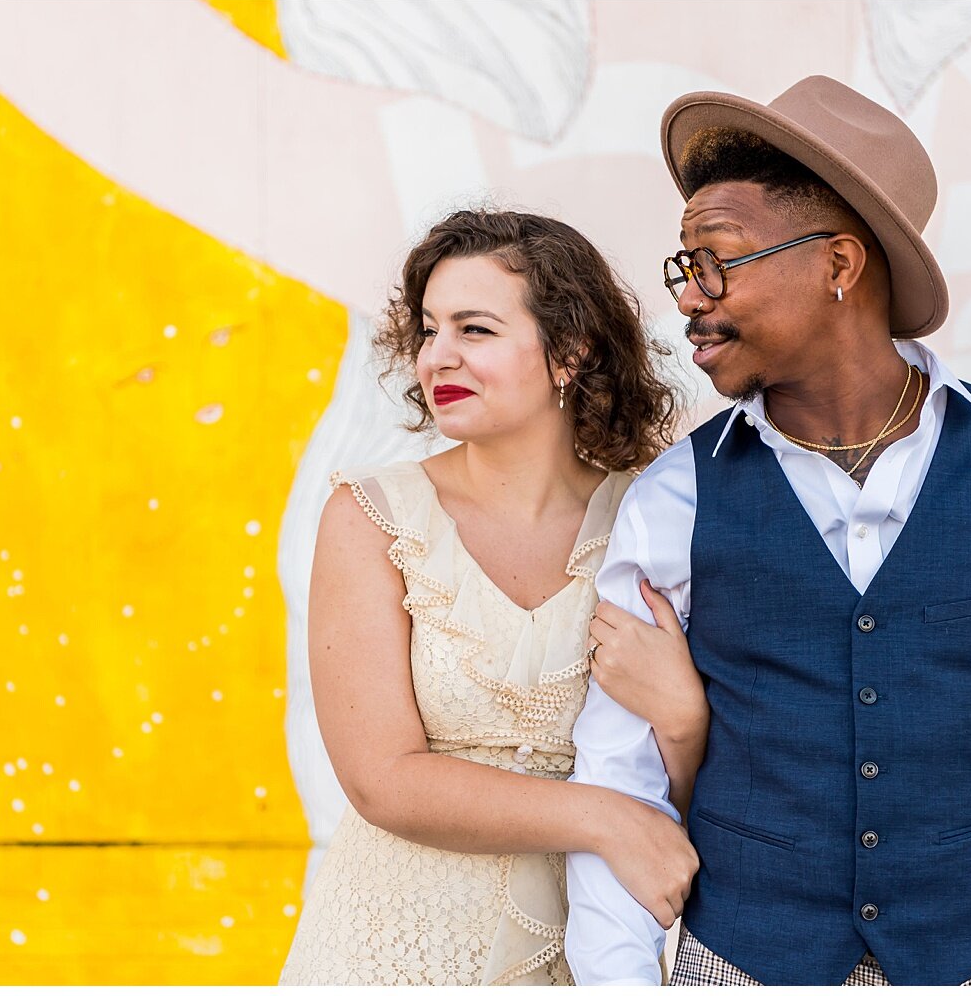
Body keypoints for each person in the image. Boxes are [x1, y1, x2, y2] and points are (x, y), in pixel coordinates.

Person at [566, 76, 971, 986]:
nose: (690, 299)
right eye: (684, 267)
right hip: (743, 966)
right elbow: (617, 777)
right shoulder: (675, 498)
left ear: (838, 266)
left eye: (717, 260)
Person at [279, 210, 702, 985]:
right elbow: (382, 778)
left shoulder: (656, 521)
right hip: (387, 954)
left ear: (569, 351)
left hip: (588, 954)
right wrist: (603, 819)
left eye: (474, 330)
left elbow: (687, 791)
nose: (437, 355)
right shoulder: (371, 514)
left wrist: (682, 716)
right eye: (429, 329)